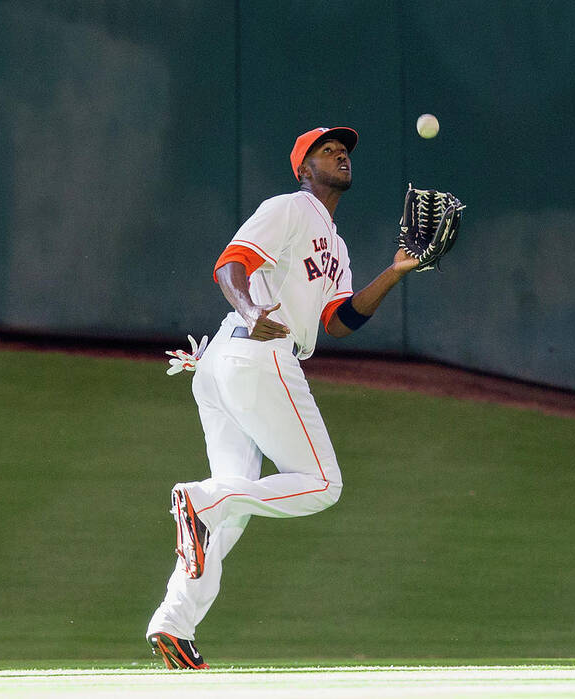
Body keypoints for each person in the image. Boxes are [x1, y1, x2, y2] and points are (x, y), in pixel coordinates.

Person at [146, 126, 420, 669]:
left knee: (237, 499)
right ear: (303, 168)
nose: (340, 154)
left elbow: (336, 322)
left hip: (226, 364)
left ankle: (174, 622)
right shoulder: (290, 209)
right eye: (327, 149)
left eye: (344, 150)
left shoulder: (335, 245)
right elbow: (230, 264)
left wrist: (393, 272)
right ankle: (199, 501)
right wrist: (252, 313)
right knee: (322, 484)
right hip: (255, 352)